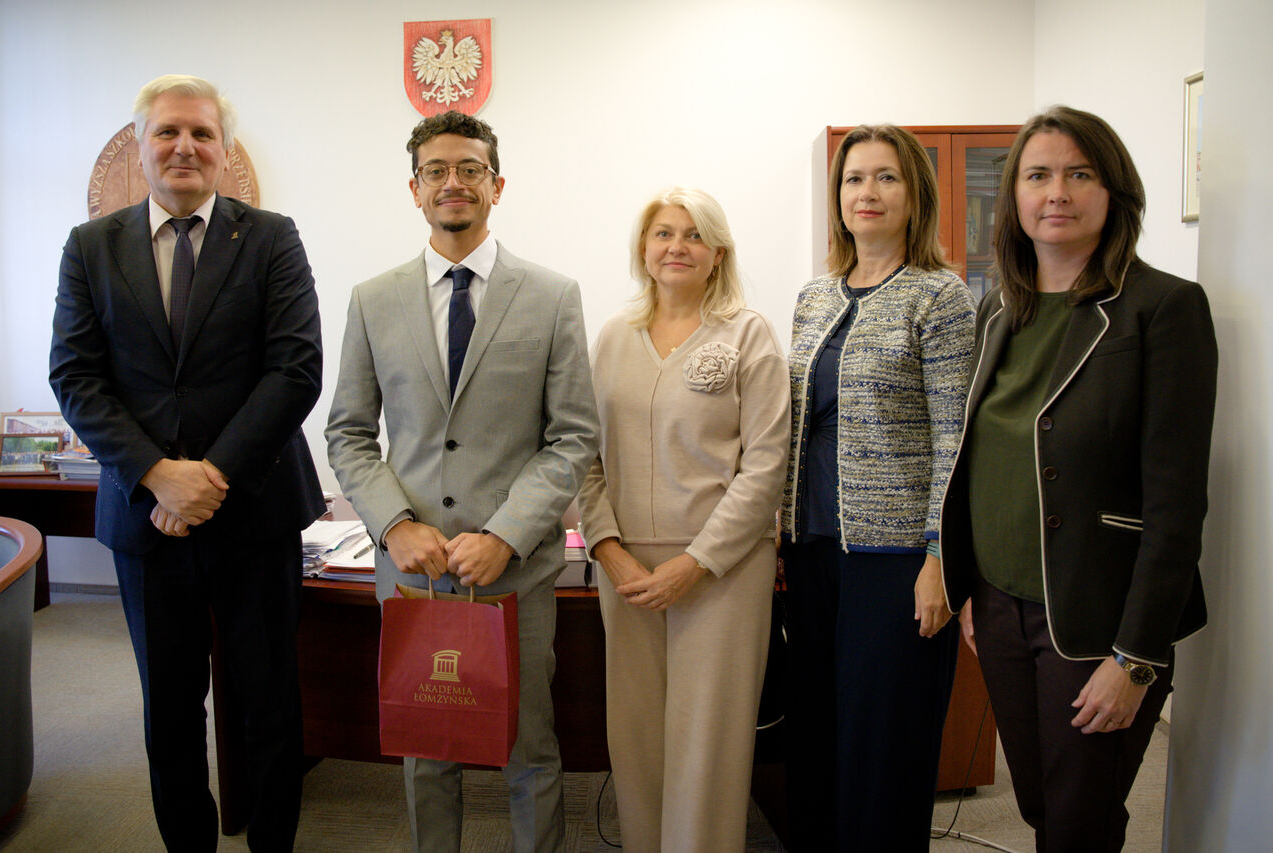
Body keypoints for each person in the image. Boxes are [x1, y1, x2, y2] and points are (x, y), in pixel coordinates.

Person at [48, 74, 323, 852]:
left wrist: (209, 475)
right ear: (140, 146)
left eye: (202, 134)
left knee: (268, 703)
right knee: (168, 710)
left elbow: (295, 368)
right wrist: (157, 473)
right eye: (167, 132)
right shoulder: (90, 246)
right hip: (145, 519)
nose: (184, 147)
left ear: (224, 150)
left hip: (256, 511)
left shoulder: (271, 236)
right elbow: (75, 374)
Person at [940, 106, 1217, 852]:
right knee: (1039, 801)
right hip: (998, 607)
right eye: (1037, 174)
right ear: (1016, 198)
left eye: (1078, 173)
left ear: (1113, 190)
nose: (1056, 191)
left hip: (1097, 617)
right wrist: (969, 590)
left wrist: (1135, 657)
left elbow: (1176, 503)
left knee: (1075, 819)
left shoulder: (1164, 308)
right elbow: (978, 455)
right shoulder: (998, 306)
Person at [324, 110, 598, 853]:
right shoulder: (372, 299)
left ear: (497, 184)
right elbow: (348, 431)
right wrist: (394, 524)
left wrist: (505, 533)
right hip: (412, 570)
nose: (454, 182)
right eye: (437, 170)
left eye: (470, 169)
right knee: (426, 746)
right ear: (414, 189)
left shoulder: (551, 294)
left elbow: (573, 435)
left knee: (529, 747)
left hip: (515, 570)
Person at [779, 124, 976, 851]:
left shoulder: (939, 296)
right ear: (837, 197)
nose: (868, 192)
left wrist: (938, 558)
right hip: (813, 551)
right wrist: (779, 531)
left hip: (895, 563)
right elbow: (792, 426)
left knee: (882, 748)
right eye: (854, 178)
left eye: (886, 177)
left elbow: (955, 439)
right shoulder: (812, 297)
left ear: (912, 194)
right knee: (818, 738)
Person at [577, 187, 791, 852]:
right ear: (643, 250)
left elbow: (766, 465)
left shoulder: (747, 333)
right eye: (663, 233)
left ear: (717, 251)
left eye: (693, 235)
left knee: (708, 743)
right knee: (637, 737)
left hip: (721, 571)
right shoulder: (613, 337)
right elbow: (584, 456)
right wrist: (607, 550)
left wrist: (696, 562)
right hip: (627, 570)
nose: (676, 246)